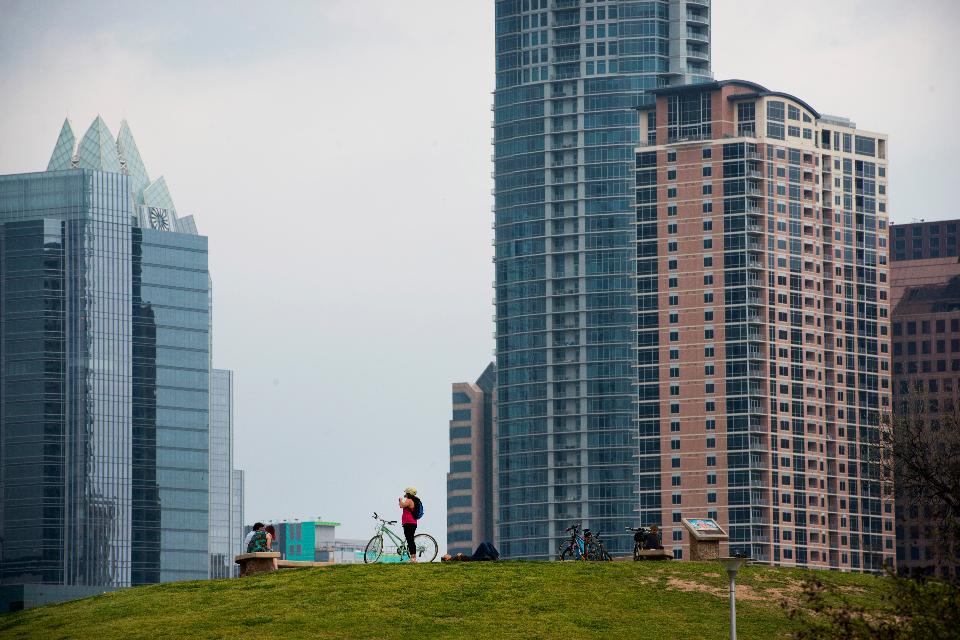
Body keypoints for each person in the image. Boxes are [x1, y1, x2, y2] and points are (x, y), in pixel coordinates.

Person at [398, 487, 420, 563]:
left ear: (408, 493)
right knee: (410, 540)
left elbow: (401, 505)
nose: (405, 494)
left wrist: (400, 500)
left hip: (409, 523)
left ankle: (413, 558)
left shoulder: (409, 500)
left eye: (406, 493)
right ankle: (412, 557)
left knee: (410, 540)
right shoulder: (413, 500)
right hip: (410, 523)